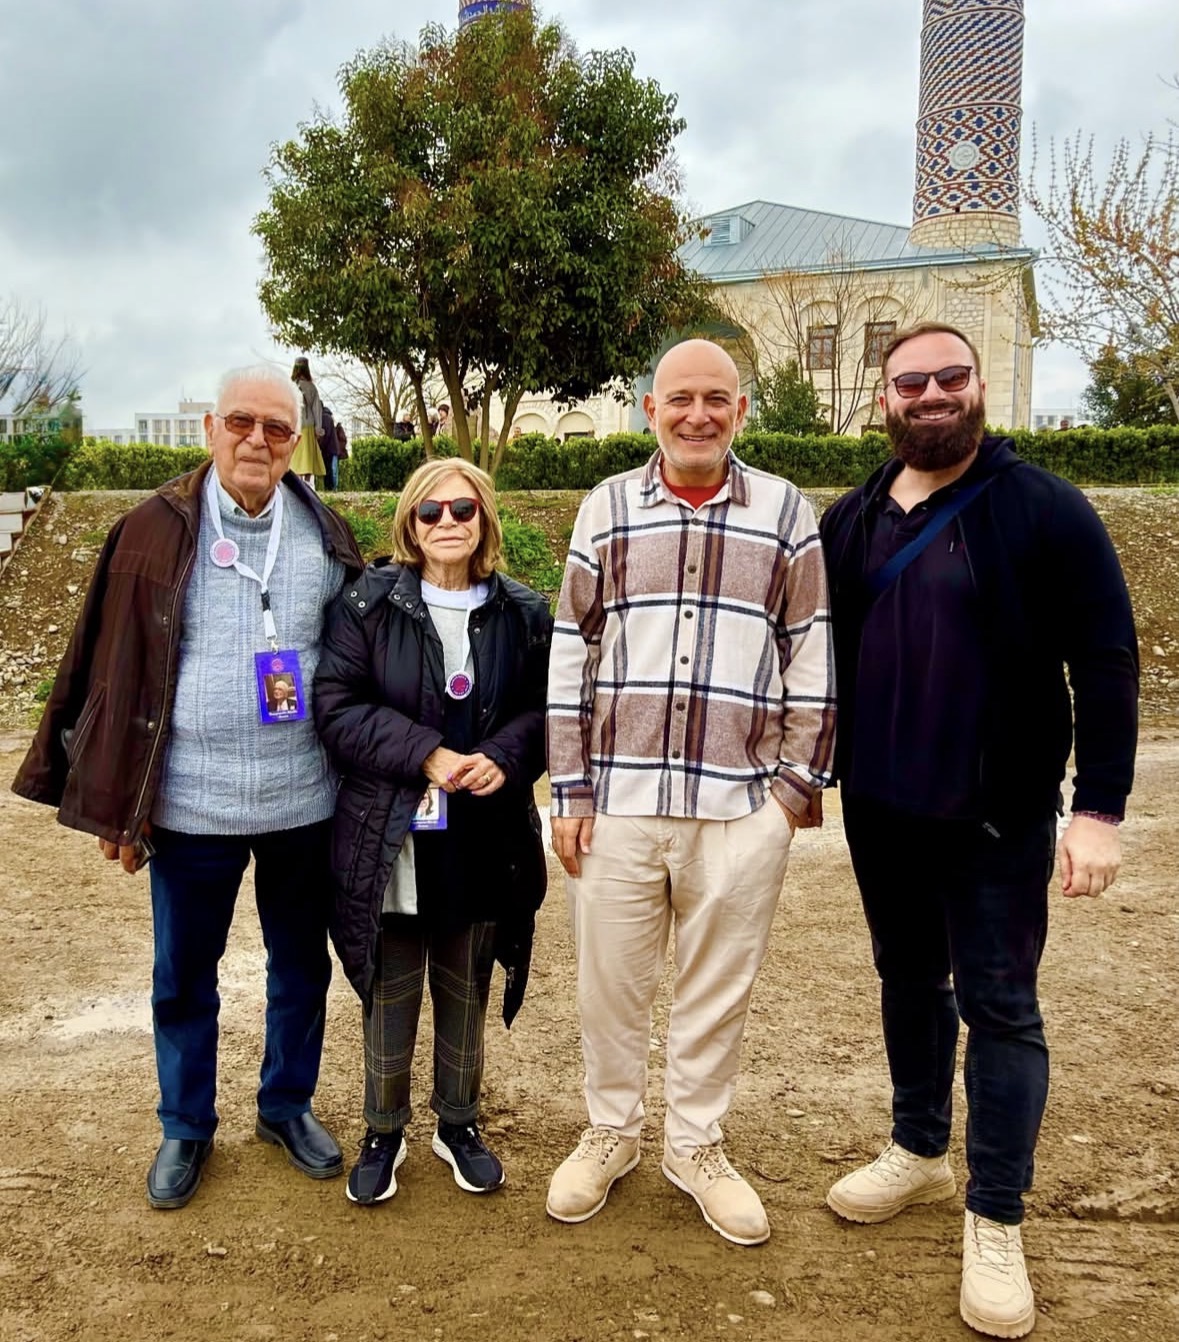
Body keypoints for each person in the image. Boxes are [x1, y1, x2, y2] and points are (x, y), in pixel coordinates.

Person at [819, 323, 1138, 1339]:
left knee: (1001, 1007)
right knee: (908, 979)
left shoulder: (1043, 507)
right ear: (885, 399)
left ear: (979, 386)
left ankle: (995, 1216)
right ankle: (918, 1149)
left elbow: (1107, 659)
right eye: (910, 381)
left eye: (949, 377)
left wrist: (1098, 810)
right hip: (880, 806)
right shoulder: (851, 517)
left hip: (995, 813)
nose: (931, 394)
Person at [13, 365, 364, 1211]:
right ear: (211, 427)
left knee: (299, 968)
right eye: (240, 421)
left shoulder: (327, 535)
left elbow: (356, 665)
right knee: (182, 976)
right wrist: (117, 804)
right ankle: (185, 1123)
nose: (256, 440)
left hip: (303, 800)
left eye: (276, 429)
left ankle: (285, 1105)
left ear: (296, 443)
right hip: (190, 804)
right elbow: (107, 666)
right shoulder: (149, 529)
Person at [545, 338, 836, 1246]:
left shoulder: (785, 512)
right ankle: (612, 1130)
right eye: (679, 398)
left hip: (738, 807)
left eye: (716, 399)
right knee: (610, 988)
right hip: (619, 802)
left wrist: (789, 796)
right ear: (650, 410)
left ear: (740, 410)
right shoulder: (606, 507)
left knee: (716, 992)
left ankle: (695, 1145)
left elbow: (810, 653)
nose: (697, 415)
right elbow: (571, 651)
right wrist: (570, 790)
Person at [313, 458, 552, 1207]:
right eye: (430, 511)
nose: (447, 522)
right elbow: (335, 705)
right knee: (390, 990)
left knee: (464, 984)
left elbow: (546, 710)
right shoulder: (367, 604)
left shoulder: (524, 611)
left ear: (484, 519)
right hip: (391, 830)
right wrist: (425, 753)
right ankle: (383, 1130)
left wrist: (503, 756)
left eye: (463, 509)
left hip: (482, 832)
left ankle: (459, 1122)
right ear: (410, 524)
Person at [291, 357, 326, 487]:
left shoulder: (290, 387)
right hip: (308, 425)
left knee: (295, 458)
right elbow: (317, 409)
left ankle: (296, 484)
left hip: (294, 426)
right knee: (307, 458)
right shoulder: (312, 387)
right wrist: (318, 429)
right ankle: (307, 484)